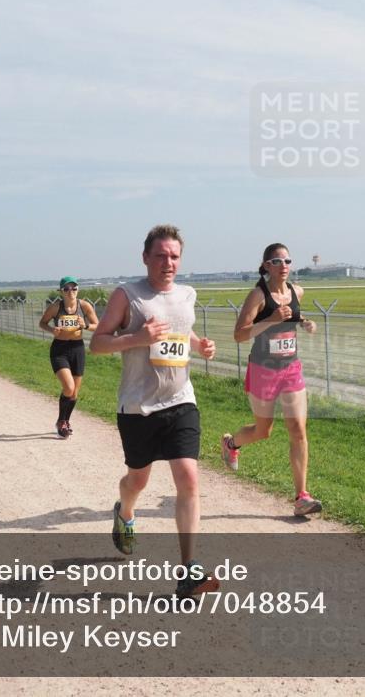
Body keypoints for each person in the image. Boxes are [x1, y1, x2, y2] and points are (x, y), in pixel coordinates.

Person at [90, 224, 219, 598]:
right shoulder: (128, 295)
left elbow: (180, 331)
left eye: (175, 256)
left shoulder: (187, 294)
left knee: (189, 480)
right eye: (161, 255)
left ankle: (189, 570)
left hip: (181, 400)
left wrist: (201, 345)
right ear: (145, 256)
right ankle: (126, 513)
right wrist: (138, 338)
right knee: (138, 481)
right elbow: (98, 343)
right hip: (138, 407)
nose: (168, 262)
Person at [221, 243, 322, 517]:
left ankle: (302, 497)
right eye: (277, 261)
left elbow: (296, 316)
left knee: (299, 429)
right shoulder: (257, 296)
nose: (284, 265)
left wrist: (306, 323)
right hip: (263, 369)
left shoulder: (296, 291)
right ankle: (231, 444)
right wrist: (272, 319)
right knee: (263, 431)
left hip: (291, 369)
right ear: (266, 265)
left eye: (287, 260)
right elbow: (239, 335)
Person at [39, 276, 99, 438]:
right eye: (66, 289)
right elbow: (42, 323)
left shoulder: (84, 306)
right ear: (61, 291)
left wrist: (84, 325)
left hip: (77, 349)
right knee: (69, 387)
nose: (71, 291)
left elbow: (97, 325)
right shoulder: (55, 307)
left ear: (78, 289)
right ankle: (61, 421)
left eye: (74, 288)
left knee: (74, 393)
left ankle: (65, 421)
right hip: (60, 350)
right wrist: (52, 331)